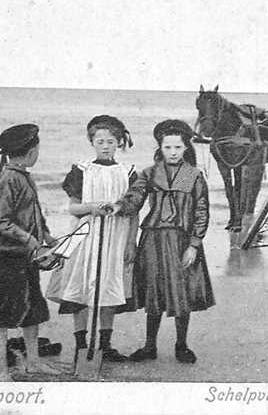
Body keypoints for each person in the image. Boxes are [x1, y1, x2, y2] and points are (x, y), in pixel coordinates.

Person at [112, 119, 215, 363]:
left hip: (181, 240)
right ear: (160, 147)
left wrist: (194, 244)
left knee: (183, 291)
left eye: (178, 148)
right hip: (154, 239)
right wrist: (118, 206)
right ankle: (150, 346)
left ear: (185, 148)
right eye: (167, 147)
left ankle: (182, 345)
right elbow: (134, 198)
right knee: (153, 291)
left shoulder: (194, 175)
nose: (172, 152)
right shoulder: (149, 173)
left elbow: (202, 211)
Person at [46, 115, 138, 362]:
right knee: (82, 287)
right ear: (92, 142)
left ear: (119, 142)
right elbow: (73, 208)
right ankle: (81, 344)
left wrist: (131, 242)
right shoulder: (82, 170)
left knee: (109, 286)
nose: (105, 145)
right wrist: (92, 207)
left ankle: (105, 345)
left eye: (110, 141)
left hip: (115, 238)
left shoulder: (128, 172)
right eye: (100, 141)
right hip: (86, 236)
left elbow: (133, 212)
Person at [0, 123, 59, 380]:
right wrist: (30, 240)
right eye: (37, 148)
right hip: (5, 258)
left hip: (24, 256)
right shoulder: (9, 179)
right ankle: (1, 370)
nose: (38, 152)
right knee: (2, 313)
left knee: (33, 309)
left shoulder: (22, 175)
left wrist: (46, 235)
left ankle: (33, 362)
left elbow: (34, 214)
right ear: (30, 151)